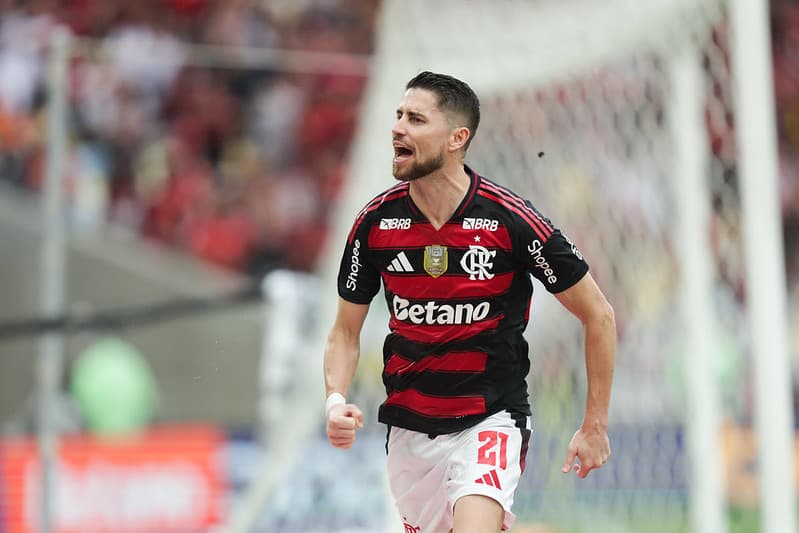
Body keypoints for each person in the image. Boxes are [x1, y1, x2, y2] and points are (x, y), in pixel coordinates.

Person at [324, 71, 616, 533]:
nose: (398, 127)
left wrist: (594, 424)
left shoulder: (512, 221)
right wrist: (334, 399)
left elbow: (598, 314)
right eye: (398, 115)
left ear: (457, 138)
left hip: (490, 417)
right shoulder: (375, 223)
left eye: (415, 119)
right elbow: (345, 331)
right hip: (409, 428)